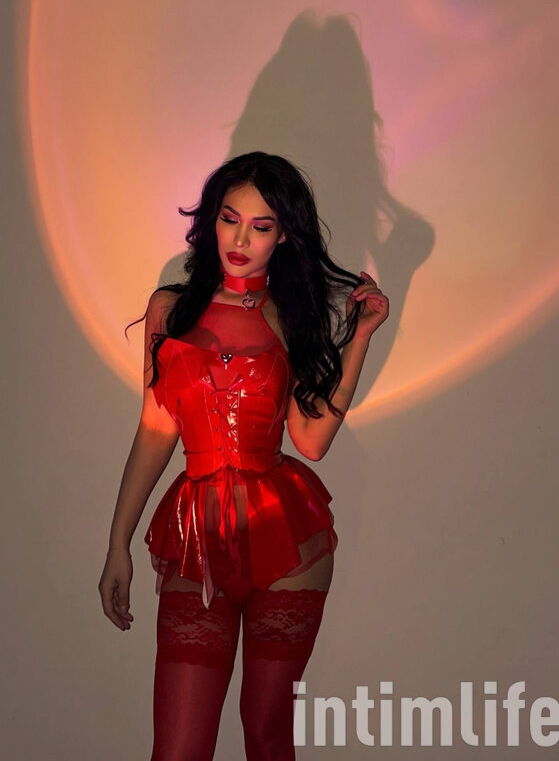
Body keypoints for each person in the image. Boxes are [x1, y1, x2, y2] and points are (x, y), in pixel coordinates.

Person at [98, 151, 389, 761]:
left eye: (261, 226)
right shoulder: (169, 309)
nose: (240, 239)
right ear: (212, 219)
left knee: (267, 735)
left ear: (282, 235)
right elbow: (155, 426)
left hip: (284, 537)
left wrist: (359, 339)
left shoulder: (291, 315)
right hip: (195, 536)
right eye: (230, 219)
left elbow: (311, 441)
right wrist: (118, 542)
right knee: (178, 748)